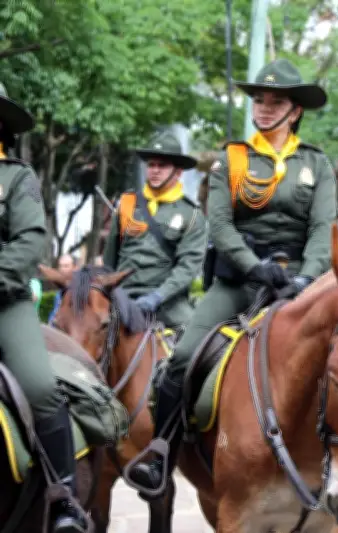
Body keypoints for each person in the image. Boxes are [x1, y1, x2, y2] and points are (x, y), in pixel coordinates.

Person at [126, 58, 338, 496]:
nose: (263, 107)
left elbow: (323, 230)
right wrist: (252, 266)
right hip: (239, 281)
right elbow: (219, 225)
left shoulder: (317, 165)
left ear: (294, 110)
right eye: (259, 100)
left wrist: (306, 278)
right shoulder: (232, 159)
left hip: (300, 281)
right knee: (181, 360)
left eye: (275, 101)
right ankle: (161, 452)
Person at [0, 81, 88, 532]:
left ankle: (64, 499)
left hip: (5, 304)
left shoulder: (18, 178)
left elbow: (31, 239)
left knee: (38, 386)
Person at [102, 131, 207, 330]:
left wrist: (157, 296)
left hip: (168, 305)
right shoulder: (127, 204)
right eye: (151, 165)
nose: (155, 170)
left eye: (163, 165)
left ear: (178, 172)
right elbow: (109, 260)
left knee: (192, 348)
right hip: (122, 299)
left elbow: (187, 268)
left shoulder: (191, 214)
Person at [48, 254, 77, 324]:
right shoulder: (60, 290)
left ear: (74, 268)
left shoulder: (78, 291)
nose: (62, 269)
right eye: (60, 266)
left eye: (66, 266)